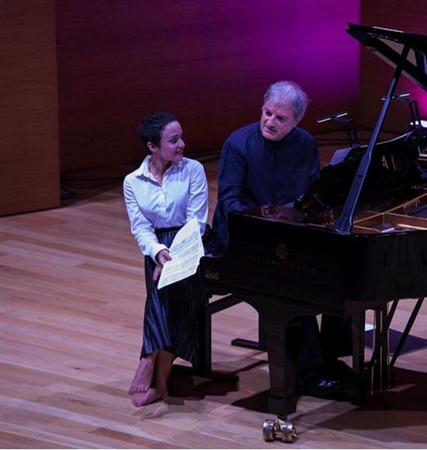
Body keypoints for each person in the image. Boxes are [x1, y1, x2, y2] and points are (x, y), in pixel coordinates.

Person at [212, 80, 354, 398]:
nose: (270, 122)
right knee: (294, 285)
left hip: (288, 234)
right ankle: (308, 371)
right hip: (243, 240)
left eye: (280, 118)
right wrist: (266, 219)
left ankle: (331, 356)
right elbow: (230, 202)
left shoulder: (304, 144)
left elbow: (310, 194)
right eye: (267, 113)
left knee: (342, 270)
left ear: (297, 120)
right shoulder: (238, 144)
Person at [123, 112, 210, 407]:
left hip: (190, 246)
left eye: (181, 137)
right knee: (163, 294)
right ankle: (159, 382)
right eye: (173, 140)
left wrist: (174, 257)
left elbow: (196, 220)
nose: (182, 144)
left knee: (166, 294)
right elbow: (141, 227)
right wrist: (159, 253)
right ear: (153, 147)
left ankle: (148, 359)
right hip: (158, 247)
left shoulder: (193, 170)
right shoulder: (132, 182)